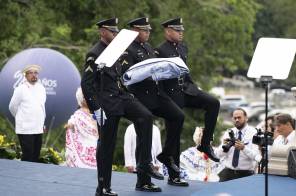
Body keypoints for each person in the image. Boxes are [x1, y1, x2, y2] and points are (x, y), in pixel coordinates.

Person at [81, 18, 163, 196]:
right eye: (112, 31)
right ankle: (103, 187)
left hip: (121, 96)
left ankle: (145, 167)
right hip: (106, 102)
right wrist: (96, 108)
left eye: (116, 31)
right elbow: (86, 85)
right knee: (107, 146)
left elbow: (120, 75)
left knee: (145, 116)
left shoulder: (116, 50)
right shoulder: (94, 53)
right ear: (102, 32)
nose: (115, 34)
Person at [121, 17, 188, 187]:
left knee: (178, 116)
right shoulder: (127, 49)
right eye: (145, 30)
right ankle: (143, 180)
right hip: (140, 97)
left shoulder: (149, 48)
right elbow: (127, 76)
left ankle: (166, 155)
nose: (148, 33)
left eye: (149, 30)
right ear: (135, 30)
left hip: (157, 94)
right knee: (144, 135)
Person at [155, 17, 220, 163]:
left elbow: (185, 71)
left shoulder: (183, 47)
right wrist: (163, 98)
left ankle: (205, 144)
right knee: (175, 131)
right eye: (177, 30)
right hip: (171, 94)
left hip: (186, 89)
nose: (181, 33)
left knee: (213, 103)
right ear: (168, 31)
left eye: (181, 30)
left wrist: (194, 86)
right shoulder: (160, 51)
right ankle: (174, 174)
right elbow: (157, 78)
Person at [9, 64, 46, 162]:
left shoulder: (41, 88)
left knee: (36, 155)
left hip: (38, 128)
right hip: (25, 128)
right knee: (27, 156)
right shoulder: (20, 89)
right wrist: (21, 118)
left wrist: (42, 124)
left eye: (36, 73)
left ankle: (32, 176)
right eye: (31, 73)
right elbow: (12, 107)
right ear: (25, 75)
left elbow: (42, 107)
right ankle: (23, 176)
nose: (34, 75)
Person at [216, 108, 261, 181]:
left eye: (239, 117)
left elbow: (257, 156)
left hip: (246, 174)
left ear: (246, 118)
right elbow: (218, 155)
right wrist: (224, 147)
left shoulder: (254, 133)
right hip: (227, 172)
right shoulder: (228, 132)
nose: (237, 120)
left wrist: (244, 148)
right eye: (235, 118)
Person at [65, 87, 98, 169]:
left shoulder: (96, 112)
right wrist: (71, 126)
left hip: (97, 147)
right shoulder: (78, 114)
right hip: (84, 149)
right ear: (81, 100)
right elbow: (72, 121)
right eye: (86, 97)